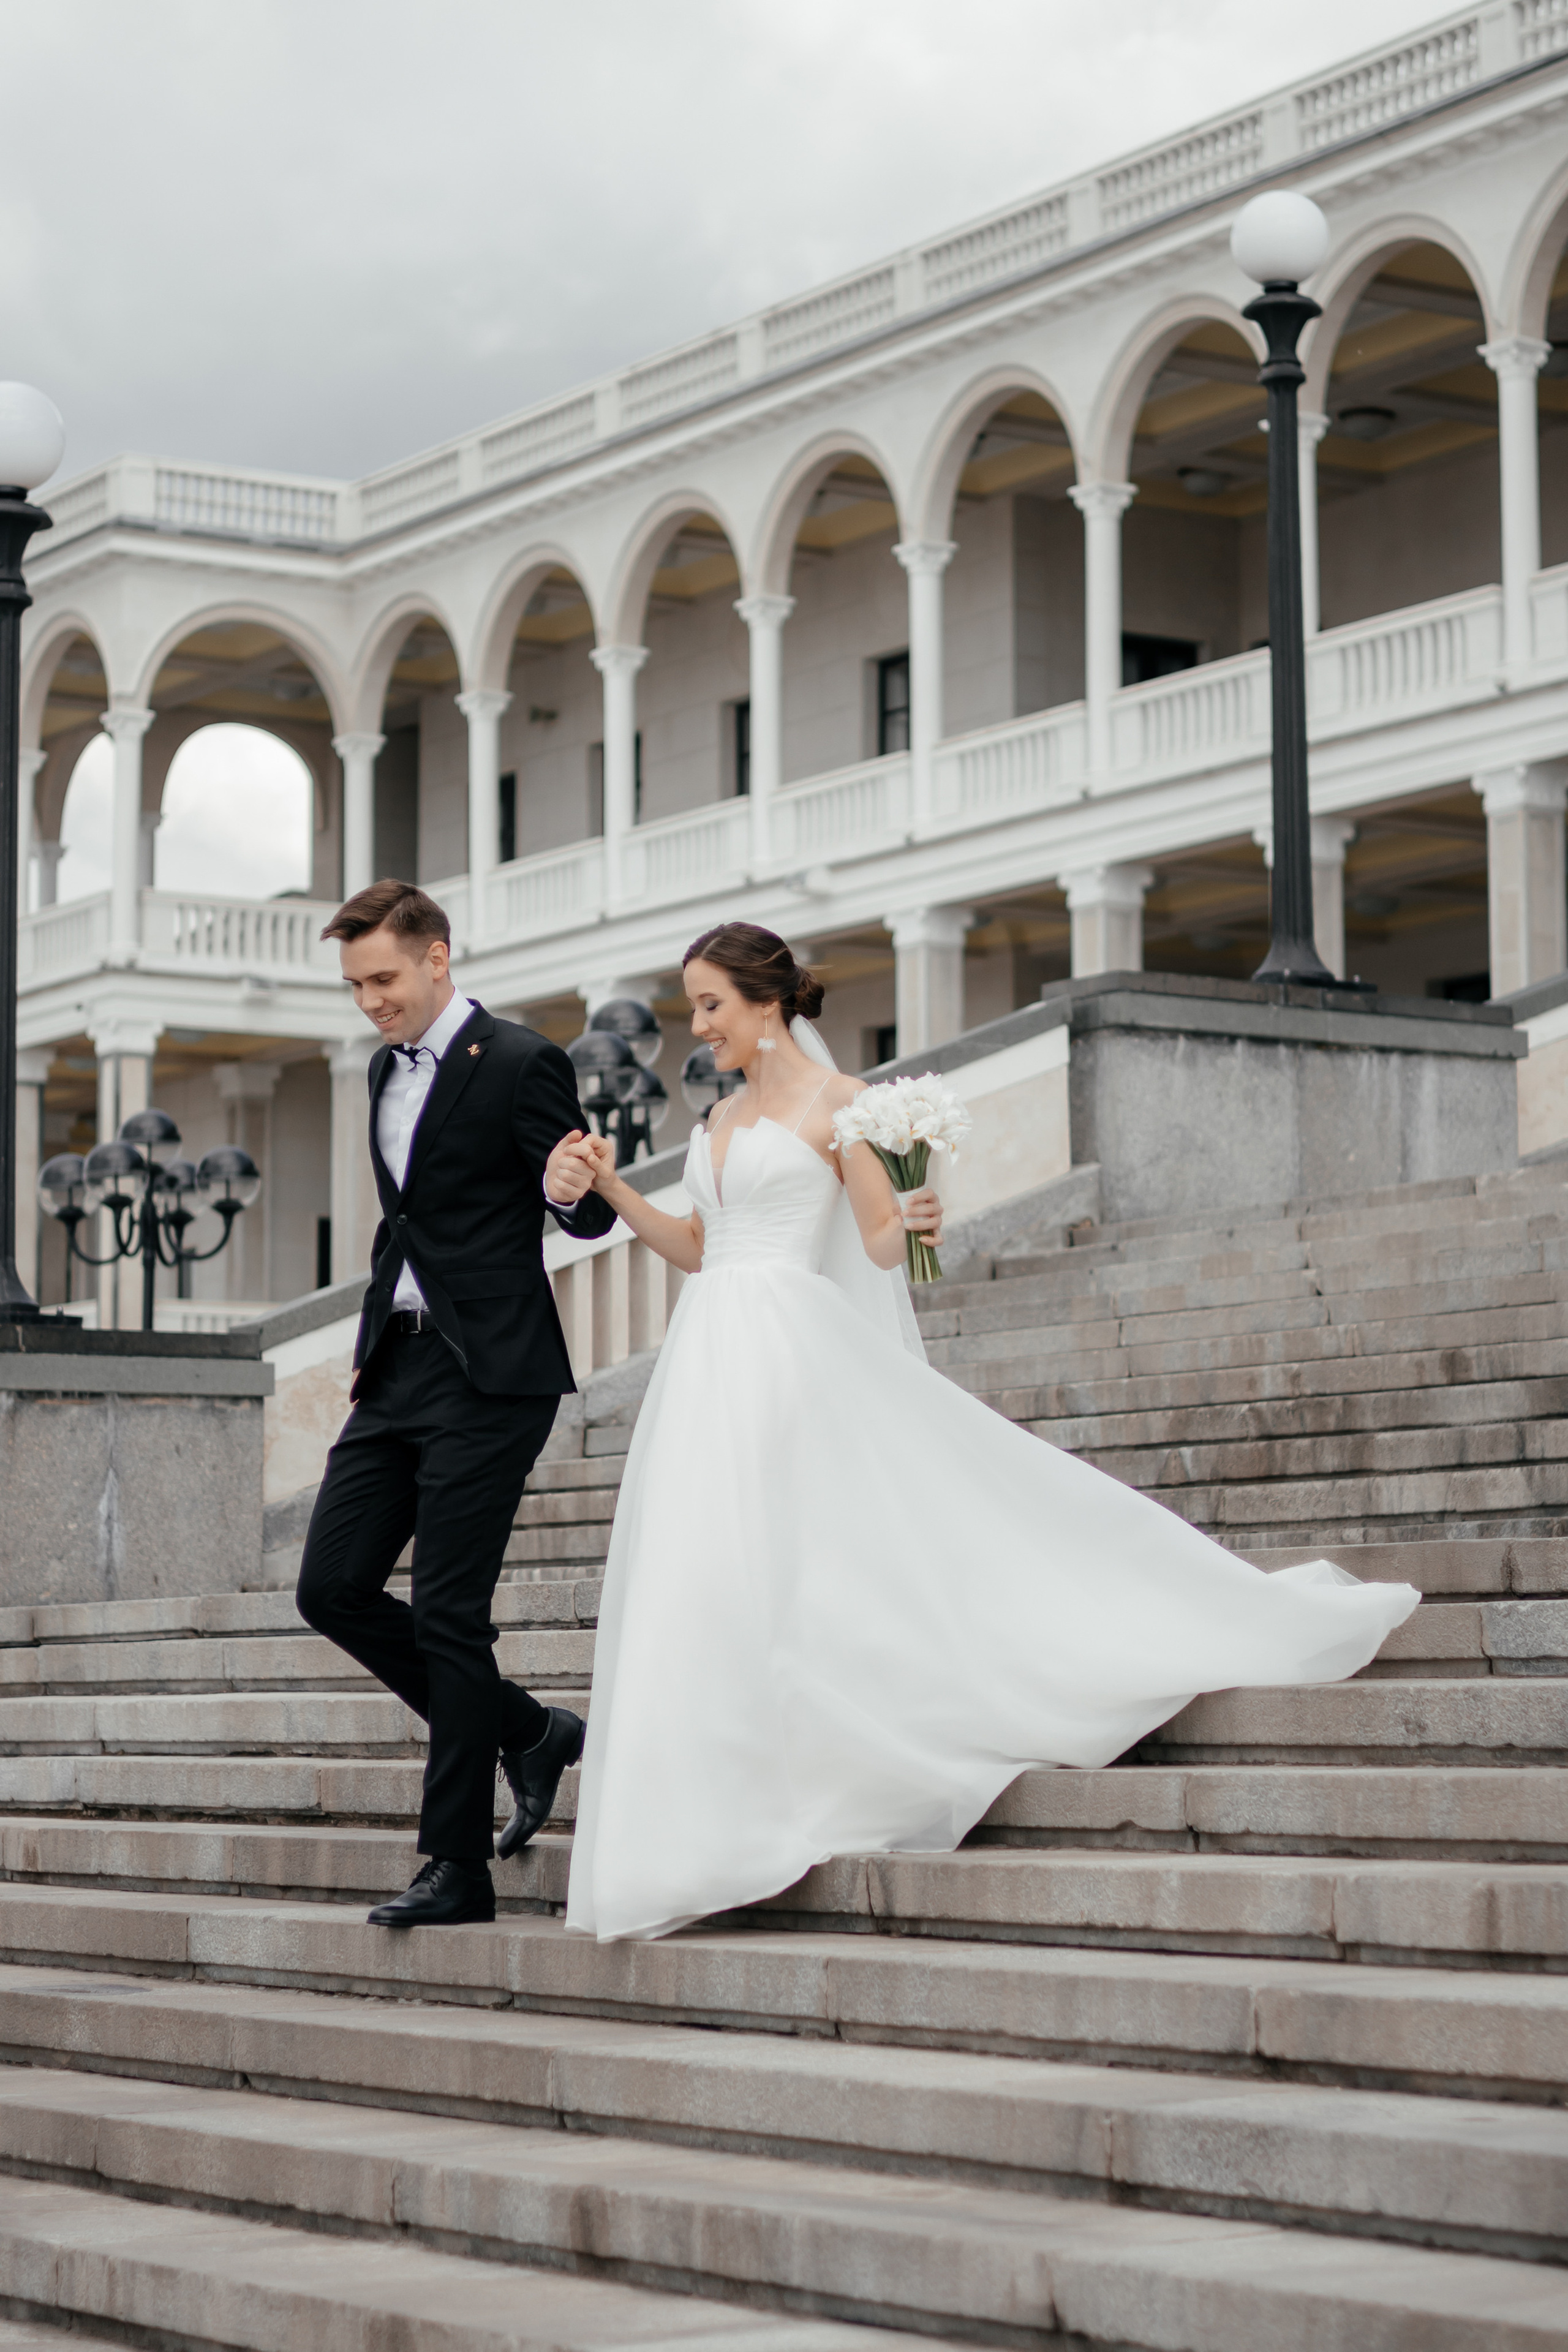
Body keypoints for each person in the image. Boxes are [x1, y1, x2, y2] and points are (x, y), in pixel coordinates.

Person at [555, 921, 1420, 1943]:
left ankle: (792, 1776)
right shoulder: (718, 1118)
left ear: (766, 1001)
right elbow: (701, 1247)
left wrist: (914, 1218)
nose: (698, 1026)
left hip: (789, 1355)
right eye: (693, 1007)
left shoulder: (843, 1106)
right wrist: (615, 1191)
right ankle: (716, 1805)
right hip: (705, 1360)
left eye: (710, 1004)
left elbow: (879, 1243)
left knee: (779, 1556)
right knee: (704, 1571)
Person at [296, 879, 616, 1928]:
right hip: (396, 1367)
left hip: (491, 1374)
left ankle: (457, 1867)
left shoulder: (522, 1061)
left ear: (438, 956)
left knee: (447, 1616)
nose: (370, 1003)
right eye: (355, 986)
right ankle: (529, 1731)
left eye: (383, 979)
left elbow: (579, 1215)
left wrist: (566, 1188)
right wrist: (376, 1332)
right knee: (330, 1587)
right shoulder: (381, 1069)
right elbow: (408, 1221)